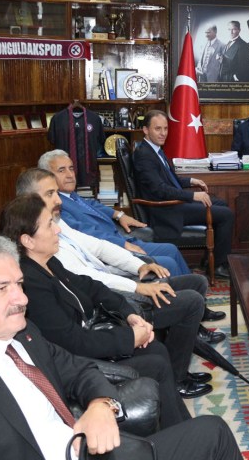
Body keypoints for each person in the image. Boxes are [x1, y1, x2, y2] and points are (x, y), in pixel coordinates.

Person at [0, 234, 242, 459]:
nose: (21, 298)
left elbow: (80, 370)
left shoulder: (24, 335)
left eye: (19, 284)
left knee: (212, 431)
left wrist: (100, 405)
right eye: (2, 288)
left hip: (85, 449)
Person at [0, 195, 215, 407]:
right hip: (77, 362)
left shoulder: (49, 263)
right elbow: (72, 341)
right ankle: (176, 417)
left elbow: (92, 286)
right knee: (156, 358)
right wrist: (130, 338)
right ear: (28, 240)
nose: (57, 230)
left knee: (156, 349)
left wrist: (128, 312)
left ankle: (176, 415)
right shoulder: (31, 284)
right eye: (49, 225)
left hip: (93, 330)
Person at [14, 167, 227, 336]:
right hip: (104, 296)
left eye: (56, 192)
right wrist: (137, 286)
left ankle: (191, 327)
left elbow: (98, 246)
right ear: (29, 199)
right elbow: (89, 279)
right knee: (189, 298)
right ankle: (187, 328)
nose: (58, 199)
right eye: (50, 193)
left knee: (196, 281)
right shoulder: (41, 242)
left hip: (109, 276)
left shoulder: (57, 222)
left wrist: (139, 266)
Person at [39, 149, 193, 279]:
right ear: (47, 176)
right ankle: (182, 300)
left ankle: (196, 293)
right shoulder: (56, 205)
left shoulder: (70, 195)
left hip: (121, 240)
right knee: (168, 262)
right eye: (61, 170)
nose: (70, 175)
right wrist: (123, 245)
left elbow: (93, 204)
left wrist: (119, 215)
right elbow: (87, 234)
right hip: (111, 252)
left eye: (71, 168)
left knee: (171, 249)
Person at [133, 110, 235, 279]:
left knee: (221, 204)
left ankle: (209, 261)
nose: (163, 133)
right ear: (145, 130)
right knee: (226, 215)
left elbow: (169, 179)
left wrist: (191, 181)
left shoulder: (155, 150)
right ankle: (218, 265)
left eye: (165, 128)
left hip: (174, 203)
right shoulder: (144, 155)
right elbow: (159, 189)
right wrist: (192, 196)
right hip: (166, 210)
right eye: (158, 129)